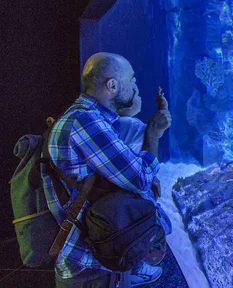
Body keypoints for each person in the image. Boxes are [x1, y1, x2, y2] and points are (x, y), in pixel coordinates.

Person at [43, 52, 172, 288]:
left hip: (94, 250)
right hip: (88, 264)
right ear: (112, 85)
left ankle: (133, 267)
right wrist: (154, 133)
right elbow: (141, 178)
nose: (135, 85)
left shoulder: (86, 117)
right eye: (131, 80)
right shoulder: (86, 121)